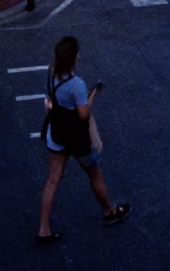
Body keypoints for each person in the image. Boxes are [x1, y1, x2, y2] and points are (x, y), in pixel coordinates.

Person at [37, 36, 131, 245]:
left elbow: (55, 102)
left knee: (52, 181)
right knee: (94, 173)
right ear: (73, 58)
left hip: (57, 135)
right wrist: (91, 98)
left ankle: (44, 229)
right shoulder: (77, 85)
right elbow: (83, 116)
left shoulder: (52, 73)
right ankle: (110, 211)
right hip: (77, 140)